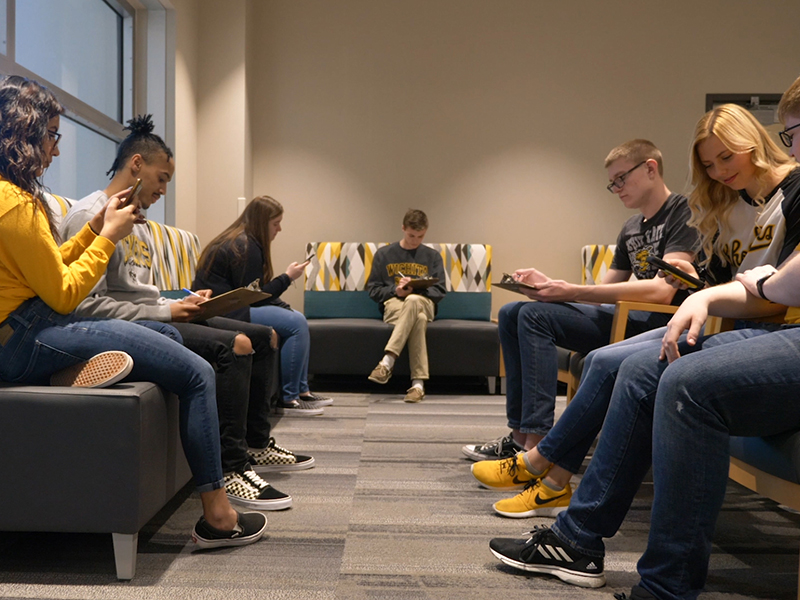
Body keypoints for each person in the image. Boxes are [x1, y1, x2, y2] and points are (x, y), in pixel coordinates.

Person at [483, 98, 800, 594]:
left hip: (751, 324)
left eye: (726, 158)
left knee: (639, 368)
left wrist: (704, 293)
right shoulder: (709, 208)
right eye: (711, 164)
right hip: (723, 317)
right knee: (567, 336)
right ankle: (559, 498)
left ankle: (547, 471)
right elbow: (696, 284)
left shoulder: (762, 198)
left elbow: (770, 294)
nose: (720, 171)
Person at [0, 74, 266, 548]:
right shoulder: (13, 204)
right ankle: (218, 517)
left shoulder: (14, 199)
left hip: (29, 324)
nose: (56, 151)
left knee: (167, 340)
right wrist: (105, 238)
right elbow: (64, 295)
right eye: (52, 136)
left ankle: (72, 368)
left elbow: (51, 268)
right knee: (198, 372)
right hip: (23, 334)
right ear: (25, 131)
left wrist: (96, 229)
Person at [61, 116, 309, 513]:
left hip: (155, 313)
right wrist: (167, 309)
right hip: (128, 326)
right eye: (162, 179)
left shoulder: (137, 220)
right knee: (237, 345)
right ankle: (230, 469)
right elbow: (85, 304)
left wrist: (186, 298)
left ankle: (256, 444)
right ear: (137, 164)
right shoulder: (89, 216)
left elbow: (137, 288)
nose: (162, 190)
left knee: (263, 335)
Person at [463, 139, 698, 464]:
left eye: (621, 178)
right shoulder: (631, 227)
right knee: (511, 312)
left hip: (659, 324)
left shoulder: (682, 212)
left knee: (533, 317)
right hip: (624, 319)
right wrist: (549, 286)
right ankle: (519, 438)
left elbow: (663, 291)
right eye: (612, 183)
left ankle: (537, 444)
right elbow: (604, 291)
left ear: (650, 168)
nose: (616, 188)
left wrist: (569, 290)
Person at [193, 195, 333, 416]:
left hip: (233, 307)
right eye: (275, 223)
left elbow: (255, 292)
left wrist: (281, 301)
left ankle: (302, 392)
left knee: (294, 316)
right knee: (296, 323)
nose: (279, 229)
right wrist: (288, 277)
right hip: (226, 311)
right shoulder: (245, 246)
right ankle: (289, 399)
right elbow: (255, 295)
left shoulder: (242, 241)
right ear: (261, 222)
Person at [366, 209, 446, 403]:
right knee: (417, 318)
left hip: (424, 302)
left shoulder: (433, 256)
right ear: (403, 229)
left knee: (413, 301)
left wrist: (418, 288)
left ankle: (387, 361)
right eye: (411, 235)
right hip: (395, 304)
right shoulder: (384, 254)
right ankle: (418, 385)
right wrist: (396, 291)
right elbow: (373, 290)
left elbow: (440, 291)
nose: (415, 241)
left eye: (420, 236)